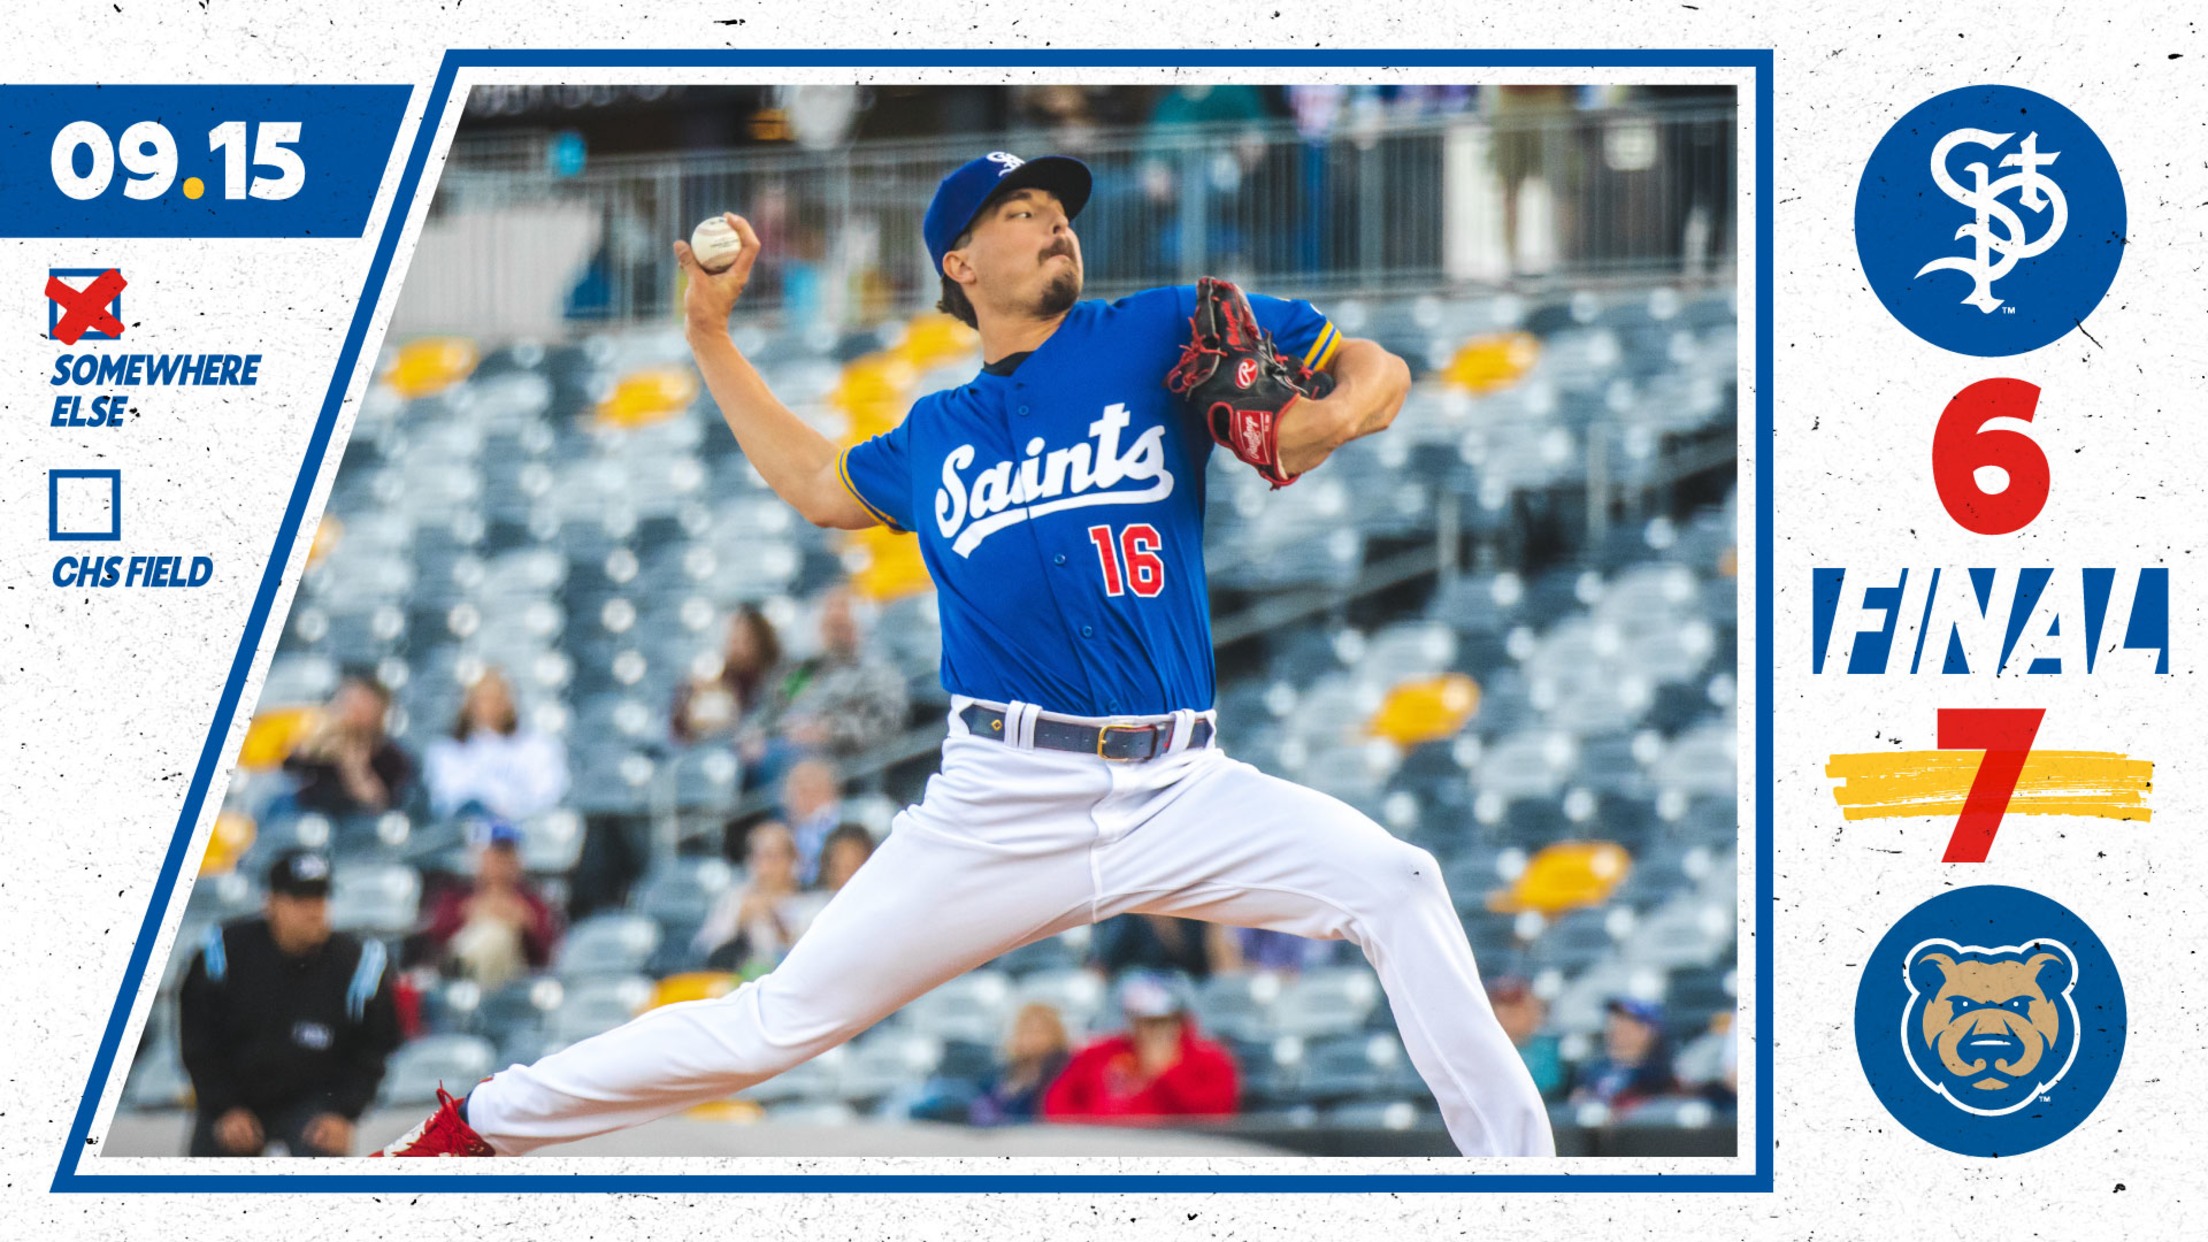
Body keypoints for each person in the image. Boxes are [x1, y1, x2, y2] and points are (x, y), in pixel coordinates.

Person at [376, 149, 1551, 1158]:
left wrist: (1330, 415)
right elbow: (816, 484)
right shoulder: (937, 433)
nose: (1054, 223)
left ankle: (1523, 1189)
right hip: (1001, 798)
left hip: (1180, 785)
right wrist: (708, 335)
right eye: (1020, 212)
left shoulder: (1157, 331)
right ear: (962, 264)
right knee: (780, 1019)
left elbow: (1376, 366)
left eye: (1058, 210)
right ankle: (477, 1125)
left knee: (1399, 883)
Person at [178, 850, 402, 1156]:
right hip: (236, 1095)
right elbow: (198, 1039)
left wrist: (344, 1112)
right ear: (270, 903)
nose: (314, 911)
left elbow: (374, 1048)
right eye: (300, 900)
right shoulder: (223, 955)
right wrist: (224, 1107)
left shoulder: (357, 964)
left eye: (320, 899)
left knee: (325, 1153)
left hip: (316, 1101)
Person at [1041, 972, 1237, 1123]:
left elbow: (1213, 1116)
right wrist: (1089, 1129)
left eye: (1163, 1021)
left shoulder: (1210, 1059)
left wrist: (1166, 1072)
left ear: (1180, 1021)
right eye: (1145, 1022)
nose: (1154, 1031)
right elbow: (1057, 1102)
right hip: (1102, 1146)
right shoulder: (1099, 1053)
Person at [417, 820, 561, 989]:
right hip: (456, 980)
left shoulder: (533, 901)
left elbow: (546, 953)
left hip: (509, 983)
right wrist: (471, 912)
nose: (502, 863)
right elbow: (435, 934)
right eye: (495, 855)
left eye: (507, 855)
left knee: (498, 933)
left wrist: (525, 922)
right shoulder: (456, 895)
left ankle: (464, 966)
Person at [421, 667, 569, 822]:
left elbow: (549, 796)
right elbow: (446, 801)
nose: (489, 707)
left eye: (496, 698)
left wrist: (510, 808)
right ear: (467, 704)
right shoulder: (445, 752)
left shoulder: (538, 747)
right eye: (481, 699)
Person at [282, 671, 414, 819]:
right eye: (347, 701)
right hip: (309, 812)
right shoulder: (326, 741)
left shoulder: (392, 759)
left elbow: (377, 804)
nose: (348, 710)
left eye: (359, 704)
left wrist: (353, 764)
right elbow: (289, 764)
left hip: (355, 820)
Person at [693, 822, 807, 974]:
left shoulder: (810, 901)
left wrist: (777, 922)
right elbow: (704, 948)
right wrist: (738, 921)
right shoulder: (736, 898)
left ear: (792, 858)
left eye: (772, 857)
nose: (764, 866)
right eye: (757, 857)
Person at [670, 604, 783, 746]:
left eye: (746, 640)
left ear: (761, 642)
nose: (738, 647)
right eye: (734, 640)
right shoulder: (715, 678)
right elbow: (681, 730)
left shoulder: (777, 676)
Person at [1569, 996, 1679, 1115]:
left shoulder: (1659, 1077)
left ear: (1648, 1031)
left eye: (1627, 1022)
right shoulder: (1592, 1071)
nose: (1616, 1028)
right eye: (1615, 1021)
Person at [969, 1001, 1072, 1126]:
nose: (1031, 1038)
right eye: (1026, 1030)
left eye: (1039, 1031)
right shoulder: (1001, 1072)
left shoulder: (1063, 1071)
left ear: (1056, 1034)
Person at [1486, 974, 1567, 1102]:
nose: (1509, 1015)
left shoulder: (1553, 1050)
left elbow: (1550, 1089)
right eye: (1502, 1007)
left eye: (1516, 1007)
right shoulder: (1482, 1050)